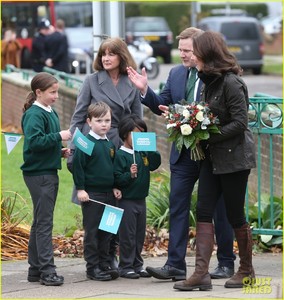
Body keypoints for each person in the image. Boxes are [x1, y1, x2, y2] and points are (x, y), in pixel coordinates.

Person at [127, 27, 235, 281]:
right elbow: (162, 105)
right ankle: (175, 265)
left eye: (188, 50)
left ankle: (227, 263)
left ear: (201, 50)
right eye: (181, 50)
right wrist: (146, 91)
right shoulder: (176, 74)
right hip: (183, 154)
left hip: (212, 155)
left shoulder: (217, 76)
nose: (183, 55)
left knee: (220, 209)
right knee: (177, 206)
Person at [173, 30, 256, 291]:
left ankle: (245, 270)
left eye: (195, 51)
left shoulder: (232, 82)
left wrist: (208, 137)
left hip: (234, 160)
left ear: (207, 53)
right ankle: (201, 273)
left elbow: (241, 123)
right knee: (203, 211)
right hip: (211, 158)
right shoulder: (208, 80)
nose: (192, 56)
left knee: (235, 215)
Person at [68, 37, 143, 270]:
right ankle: (98, 260)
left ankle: (112, 253)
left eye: (111, 54)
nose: (106, 58)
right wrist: (75, 148)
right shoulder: (92, 80)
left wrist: (137, 151)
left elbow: (137, 121)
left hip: (120, 147)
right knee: (96, 209)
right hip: (93, 147)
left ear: (122, 56)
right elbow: (79, 117)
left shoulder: (131, 82)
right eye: (103, 54)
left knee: (118, 204)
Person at [21, 72, 72, 286]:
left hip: (46, 170)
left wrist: (58, 151)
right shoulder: (35, 113)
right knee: (44, 224)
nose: (57, 96)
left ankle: (35, 269)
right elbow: (34, 142)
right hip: (39, 175)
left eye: (57, 91)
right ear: (38, 92)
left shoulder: (48, 111)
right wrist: (59, 136)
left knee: (39, 222)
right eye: (52, 92)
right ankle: (47, 271)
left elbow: (43, 144)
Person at [72, 102, 121, 281]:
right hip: (92, 195)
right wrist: (81, 189)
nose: (104, 124)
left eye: (107, 120)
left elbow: (112, 168)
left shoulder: (110, 144)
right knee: (92, 233)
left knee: (107, 231)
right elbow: (78, 167)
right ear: (89, 122)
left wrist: (115, 186)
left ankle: (104, 264)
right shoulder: (86, 143)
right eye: (99, 120)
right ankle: (92, 268)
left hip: (109, 194)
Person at [114, 115, 161, 279]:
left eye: (142, 134)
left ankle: (137, 264)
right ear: (125, 134)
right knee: (128, 235)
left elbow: (155, 164)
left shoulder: (142, 154)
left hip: (141, 200)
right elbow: (117, 178)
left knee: (139, 235)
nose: (138, 138)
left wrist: (151, 149)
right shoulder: (121, 155)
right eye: (135, 134)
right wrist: (129, 175)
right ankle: (125, 265)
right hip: (126, 201)